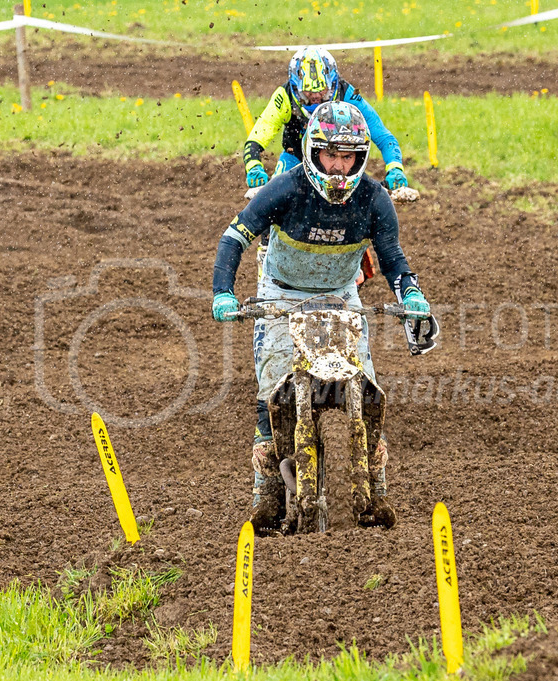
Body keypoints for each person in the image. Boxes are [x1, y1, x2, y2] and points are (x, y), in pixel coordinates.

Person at [212, 101, 433, 533]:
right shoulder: (285, 189)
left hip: (340, 294)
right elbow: (233, 237)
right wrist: (223, 292)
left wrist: (411, 292)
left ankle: (377, 489)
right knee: (271, 385)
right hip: (281, 293)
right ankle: (267, 493)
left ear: (359, 157)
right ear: (313, 152)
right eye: (330, 155)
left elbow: (391, 256)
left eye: (347, 156)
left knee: (366, 384)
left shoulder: (373, 198)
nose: (338, 167)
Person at [243, 46, 409, 191]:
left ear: (334, 84)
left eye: (322, 92)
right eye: (307, 93)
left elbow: (382, 135)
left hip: (339, 161)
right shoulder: (284, 96)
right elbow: (257, 137)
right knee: (273, 201)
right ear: (295, 88)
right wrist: (254, 166)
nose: (316, 97)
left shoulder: (348, 94)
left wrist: (395, 168)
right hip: (296, 159)